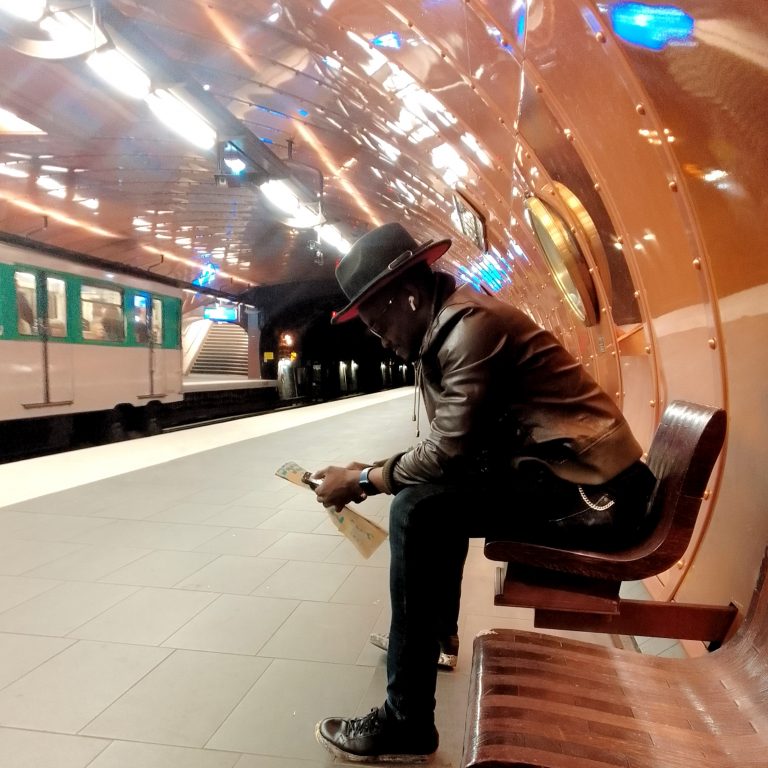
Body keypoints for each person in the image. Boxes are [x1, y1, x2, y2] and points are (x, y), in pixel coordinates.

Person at [312, 222, 656, 763]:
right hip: (573, 481)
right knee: (431, 501)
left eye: (379, 324)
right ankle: (435, 639)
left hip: (602, 498)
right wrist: (371, 470)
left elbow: (447, 452)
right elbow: (457, 451)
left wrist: (362, 481)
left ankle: (406, 721)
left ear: (408, 295)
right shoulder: (449, 328)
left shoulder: (472, 328)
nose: (380, 339)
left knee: (416, 509)